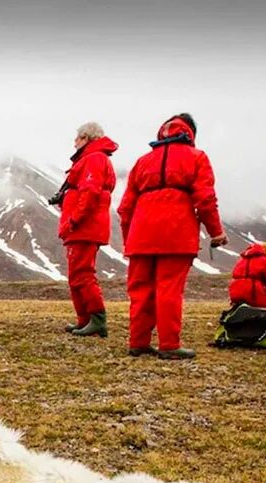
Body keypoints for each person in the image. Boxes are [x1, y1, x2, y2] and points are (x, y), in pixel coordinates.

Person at [117, 113, 228, 359]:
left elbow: (125, 208)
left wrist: (129, 239)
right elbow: (205, 199)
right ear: (191, 133)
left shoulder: (143, 161)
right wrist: (216, 232)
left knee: (140, 290)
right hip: (177, 232)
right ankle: (169, 345)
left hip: (141, 234)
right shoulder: (197, 157)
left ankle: (138, 342)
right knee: (169, 289)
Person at [55, 122, 118, 337]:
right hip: (80, 227)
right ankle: (85, 319)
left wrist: (74, 219)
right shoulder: (91, 159)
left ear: (86, 138)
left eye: (78, 138)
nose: (74, 143)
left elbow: (89, 192)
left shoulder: (94, 159)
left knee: (83, 273)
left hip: (84, 226)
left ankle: (97, 319)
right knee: (76, 274)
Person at [228, 242, 266, 309]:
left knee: (241, 310)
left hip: (235, 289)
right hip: (253, 290)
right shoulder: (265, 260)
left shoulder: (242, 260)